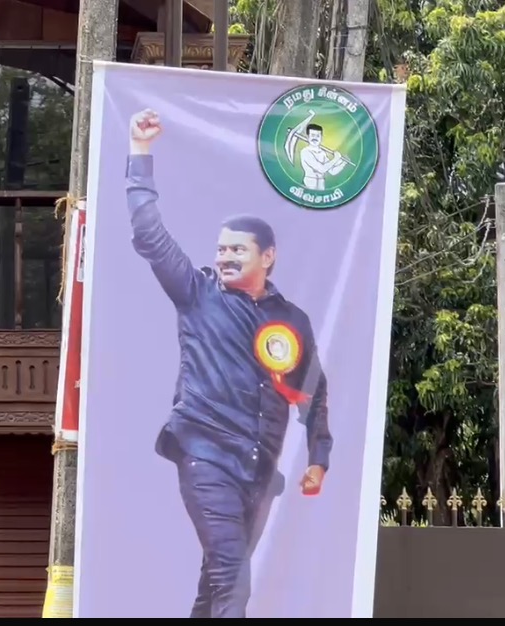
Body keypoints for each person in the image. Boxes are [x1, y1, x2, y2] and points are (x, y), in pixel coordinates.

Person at [126, 108, 333, 619]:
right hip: (206, 454)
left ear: (268, 256)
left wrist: (318, 456)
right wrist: (140, 152)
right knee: (232, 580)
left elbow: (312, 391)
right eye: (220, 249)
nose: (224, 257)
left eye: (237, 249)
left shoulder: (292, 320)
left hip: (259, 472)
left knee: (214, 586)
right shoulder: (197, 293)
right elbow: (150, 235)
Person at [299, 123, 347, 190]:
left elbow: (332, 171)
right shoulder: (305, 152)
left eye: (318, 136)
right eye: (312, 135)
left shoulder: (322, 153)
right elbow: (321, 169)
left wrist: (343, 163)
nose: (315, 138)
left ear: (321, 138)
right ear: (307, 137)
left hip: (321, 187)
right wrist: (335, 159)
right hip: (308, 185)